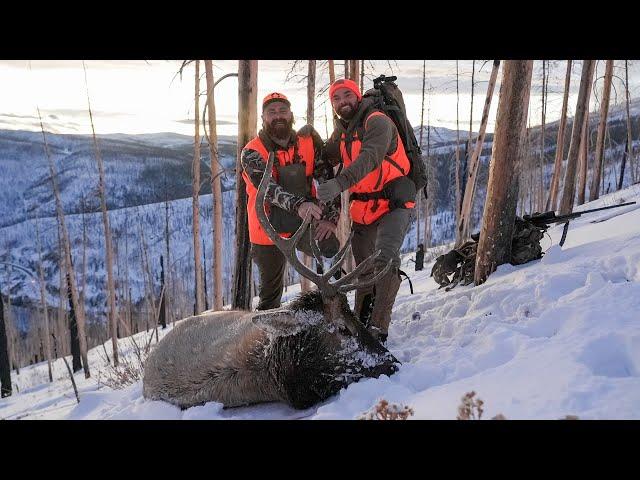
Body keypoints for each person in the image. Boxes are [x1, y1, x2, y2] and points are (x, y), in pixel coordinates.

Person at [316, 79, 416, 343]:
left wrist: (339, 183)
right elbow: (326, 156)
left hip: (394, 201)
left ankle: (377, 330)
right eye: (336, 98)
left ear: (358, 97)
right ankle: (361, 323)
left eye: (348, 95)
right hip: (364, 207)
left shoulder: (377, 121)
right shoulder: (343, 131)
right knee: (363, 270)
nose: (343, 101)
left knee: (384, 261)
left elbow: (370, 158)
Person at [241, 92, 341, 310]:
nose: (278, 116)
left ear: (291, 115)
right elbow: (268, 189)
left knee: (331, 246)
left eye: (283, 111)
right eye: (272, 112)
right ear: (263, 118)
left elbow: (326, 180)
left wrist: (331, 218)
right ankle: (266, 339)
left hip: (303, 223)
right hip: (267, 232)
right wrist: (299, 205)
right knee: (270, 297)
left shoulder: (308, 143)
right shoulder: (251, 152)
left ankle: (328, 312)